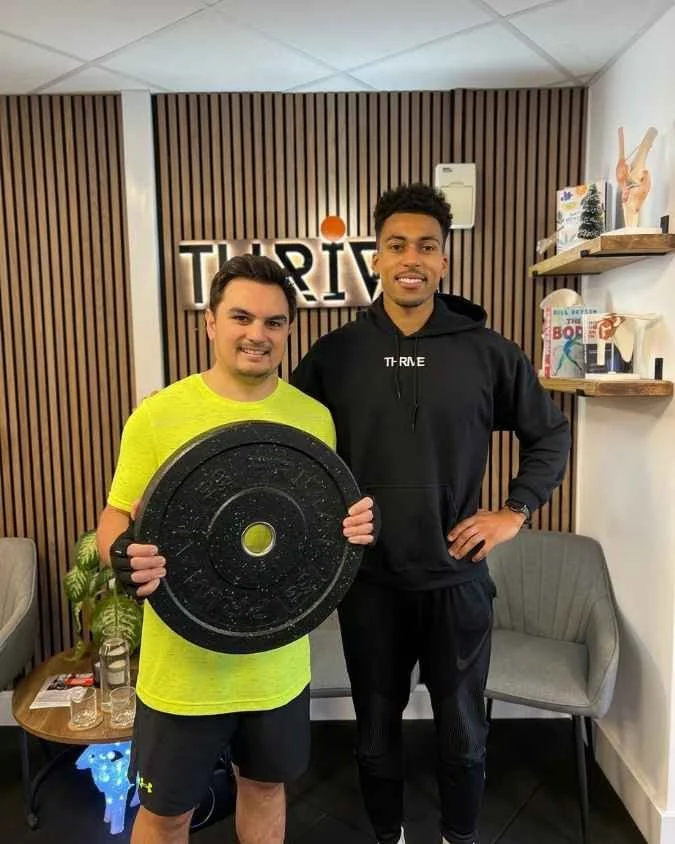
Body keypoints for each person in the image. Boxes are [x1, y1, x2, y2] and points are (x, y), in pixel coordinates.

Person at [291, 183, 571, 844]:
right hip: (369, 584)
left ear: (444, 260)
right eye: (395, 245)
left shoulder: (484, 351)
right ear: (376, 258)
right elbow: (291, 447)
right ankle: (388, 833)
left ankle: (457, 835)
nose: (409, 258)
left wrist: (514, 511)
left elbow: (549, 434)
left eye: (425, 246)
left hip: (456, 581)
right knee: (375, 732)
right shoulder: (336, 355)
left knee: (462, 734)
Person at [96, 254, 376, 844]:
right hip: (182, 671)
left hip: (275, 666)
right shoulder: (158, 415)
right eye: (241, 317)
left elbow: (318, 524)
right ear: (211, 323)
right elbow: (116, 515)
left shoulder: (313, 419)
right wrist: (120, 552)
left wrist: (351, 529)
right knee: (168, 815)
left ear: (288, 330)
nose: (257, 334)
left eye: (274, 322)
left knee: (266, 790)